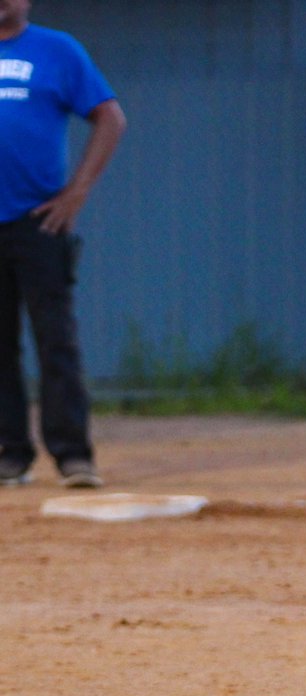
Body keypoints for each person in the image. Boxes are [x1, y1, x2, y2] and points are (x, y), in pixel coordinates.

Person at [0, 0, 126, 487]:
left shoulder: (58, 51)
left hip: (40, 223)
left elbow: (110, 118)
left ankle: (74, 456)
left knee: (55, 341)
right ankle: (11, 455)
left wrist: (77, 192)